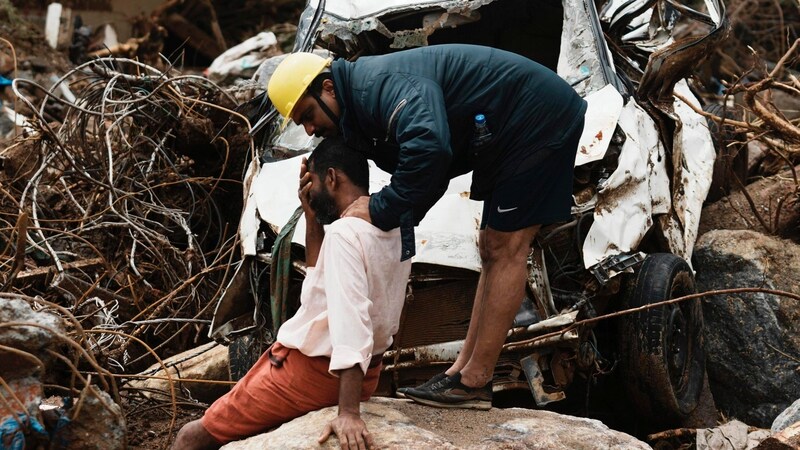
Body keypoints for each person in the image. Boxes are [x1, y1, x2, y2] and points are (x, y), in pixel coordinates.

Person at [267, 43, 587, 410]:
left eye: (308, 114)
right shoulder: (360, 107)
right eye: (302, 125)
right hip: (502, 130)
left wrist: (383, 208)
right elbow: (431, 169)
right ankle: (460, 373)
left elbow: (430, 149)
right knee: (489, 247)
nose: (311, 129)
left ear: (327, 87)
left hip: (536, 117)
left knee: (506, 247)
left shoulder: (376, 88)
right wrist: (391, 217)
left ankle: (475, 382)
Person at [173, 138, 412, 449]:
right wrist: (312, 216)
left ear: (332, 178)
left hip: (312, 373)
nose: (309, 191)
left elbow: (352, 323)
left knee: (191, 437)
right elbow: (321, 285)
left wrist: (349, 412)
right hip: (367, 373)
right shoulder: (395, 226)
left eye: (311, 182)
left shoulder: (344, 233)